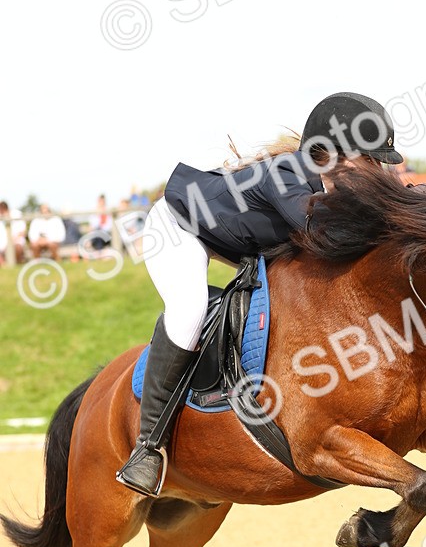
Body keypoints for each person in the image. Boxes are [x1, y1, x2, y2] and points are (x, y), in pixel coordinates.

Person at [117, 91, 402, 498]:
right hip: (178, 227)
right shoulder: (286, 172)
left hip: (240, 241)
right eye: (370, 160)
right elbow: (324, 232)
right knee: (190, 309)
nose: (377, 171)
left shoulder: (331, 184)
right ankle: (148, 447)